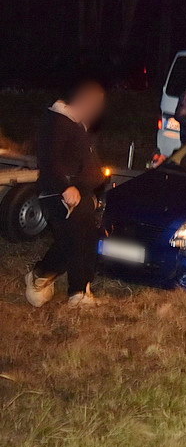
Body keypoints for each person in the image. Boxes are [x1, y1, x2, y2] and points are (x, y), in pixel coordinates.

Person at [24, 75, 107, 308]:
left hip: (81, 192)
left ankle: (70, 286)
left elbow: (88, 162)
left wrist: (91, 182)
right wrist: (65, 186)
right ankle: (73, 291)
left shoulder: (78, 126)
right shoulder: (57, 122)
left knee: (83, 239)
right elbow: (50, 159)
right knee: (75, 241)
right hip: (61, 194)